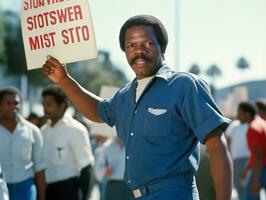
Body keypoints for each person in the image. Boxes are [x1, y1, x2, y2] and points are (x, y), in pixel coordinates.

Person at [42, 15, 232, 200]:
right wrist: (64, 80)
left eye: (148, 44)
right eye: (131, 46)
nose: (139, 51)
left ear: (162, 47)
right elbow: (98, 111)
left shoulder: (184, 85)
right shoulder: (125, 94)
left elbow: (217, 147)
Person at [41, 85, 94, 200]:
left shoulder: (75, 129)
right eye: (43, 104)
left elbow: (87, 168)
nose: (45, 108)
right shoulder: (43, 131)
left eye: (49, 104)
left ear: (62, 106)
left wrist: (85, 197)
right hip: (46, 192)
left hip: (68, 192)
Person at [0, 87, 46, 200]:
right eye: (8, 103)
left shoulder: (33, 131)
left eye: (16, 103)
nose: (13, 107)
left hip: (26, 190)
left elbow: (39, 168)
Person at [237, 102, 266, 200]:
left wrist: (256, 179)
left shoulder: (253, 128)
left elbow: (258, 155)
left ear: (247, 114)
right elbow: (256, 153)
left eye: (239, 113)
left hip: (261, 170)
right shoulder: (262, 123)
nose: (237, 116)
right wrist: (247, 169)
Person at [225, 119, 249, 200]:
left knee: (243, 186)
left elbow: (227, 138)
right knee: (240, 186)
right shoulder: (235, 124)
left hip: (245, 160)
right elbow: (228, 138)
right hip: (239, 160)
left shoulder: (249, 125)